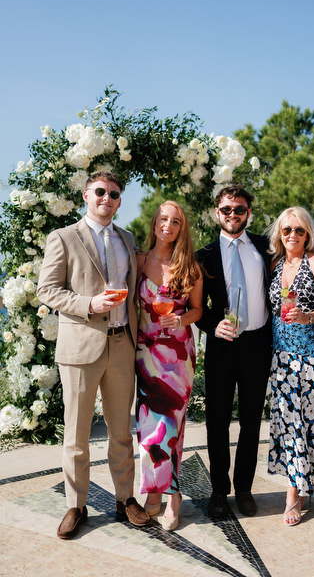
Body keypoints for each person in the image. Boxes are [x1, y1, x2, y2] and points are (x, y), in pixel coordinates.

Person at [37, 170, 151, 539]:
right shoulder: (63, 238)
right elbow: (47, 290)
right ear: (86, 196)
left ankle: (125, 500)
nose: (107, 198)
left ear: (120, 200)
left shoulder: (128, 239)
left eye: (114, 194)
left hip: (122, 345)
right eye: (100, 191)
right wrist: (89, 303)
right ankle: (76, 504)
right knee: (76, 434)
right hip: (81, 348)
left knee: (122, 431)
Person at [196, 184, 272, 518]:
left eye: (239, 209)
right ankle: (217, 491)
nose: (232, 215)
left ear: (248, 213)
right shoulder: (204, 256)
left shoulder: (266, 249)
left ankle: (243, 489)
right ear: (217, 213)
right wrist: (213, 325)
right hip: (222, 347)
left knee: (252, 420)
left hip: (258, 344)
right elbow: (196, 308)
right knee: (217, 421)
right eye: (226, 209)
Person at [266, 207, 314, 526]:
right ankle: (298, 487)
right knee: (289, 424)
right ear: (279, 235)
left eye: (299, 230)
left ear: (308, 233)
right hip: (280, 355)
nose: (292, 235)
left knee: (309, 423)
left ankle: (294, 496)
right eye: (286, 230)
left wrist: (309, 316)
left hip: (311, 354)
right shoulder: (274, 265)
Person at [135, 200, 203, 531]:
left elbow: (197, 311)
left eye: (175, 221)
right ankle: (153, 493)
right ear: (154, 223)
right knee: (149, 427)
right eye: (164, 219)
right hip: (144, 355)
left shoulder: (188, 266)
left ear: (181, 229)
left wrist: (180, 318)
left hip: (177, 356)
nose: (168, 225)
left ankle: (172, 496)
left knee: (173, 429)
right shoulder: (139, 261)